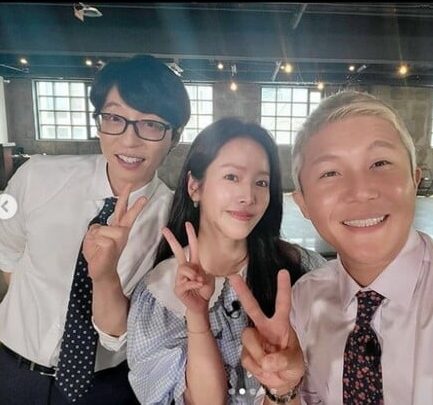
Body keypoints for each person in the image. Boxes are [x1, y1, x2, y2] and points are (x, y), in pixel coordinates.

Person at [230, 91, 433, 404]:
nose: (361, 190)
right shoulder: (306, 299)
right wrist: (283, 389)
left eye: (380, 163)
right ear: (303, 204)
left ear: (415, 180)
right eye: (330, 173)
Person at [0, 54, 191, 404]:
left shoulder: (173, 224)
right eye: (114, 118)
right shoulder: (37, 178)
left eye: (151, 124)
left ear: (175, 136)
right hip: (12, 376)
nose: (129, 140)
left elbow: (129, 331)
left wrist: (106, 276)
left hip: (107, 386)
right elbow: (8, 257)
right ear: (99, 122)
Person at [126, 117, 325, 405]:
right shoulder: (159, 293)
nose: (248, 196)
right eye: (232, 177)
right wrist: (198, 318)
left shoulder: (301, 269)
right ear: (194, 186)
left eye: (261, 182)